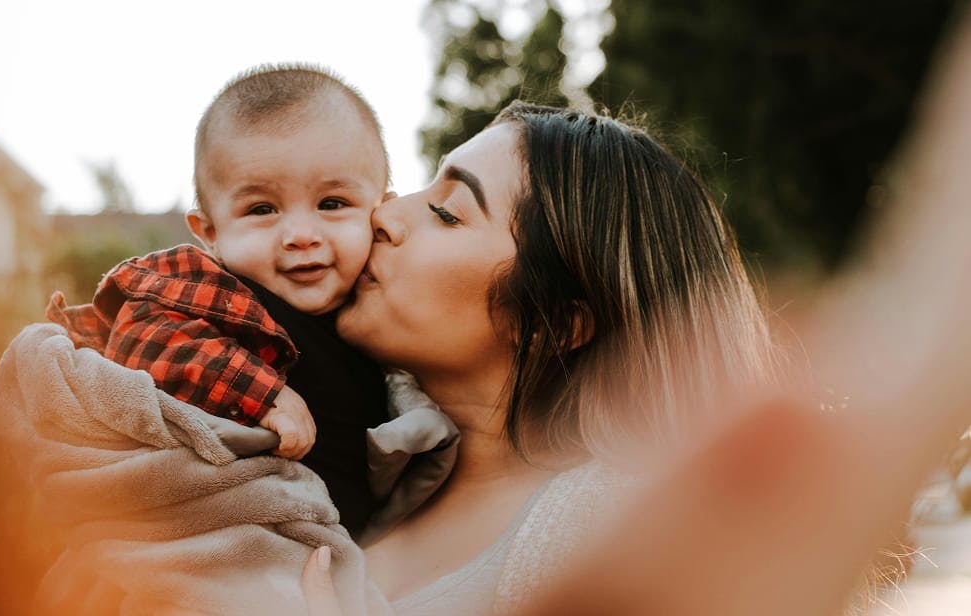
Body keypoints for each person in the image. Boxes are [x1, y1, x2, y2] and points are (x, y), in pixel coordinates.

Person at [297, 99, 781, 613]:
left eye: (447, 212)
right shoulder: (349, 459)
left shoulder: (614, 536)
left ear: (558, 323)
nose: (385, 214)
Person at [46, 63, 392, 539]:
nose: (300, 235)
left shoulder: (385, 306)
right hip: (226, 538)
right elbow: (144, 336)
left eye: (332, 203)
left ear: (383, 211)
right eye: (261, 210)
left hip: (346, 550)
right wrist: (259, 393)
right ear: (211, 234)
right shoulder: (216, 290)